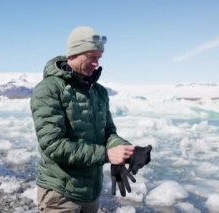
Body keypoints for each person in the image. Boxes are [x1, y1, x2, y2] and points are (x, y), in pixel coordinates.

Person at [30, 26, 151, 213]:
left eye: (98, 58)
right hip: (60, 191)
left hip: (91, 191)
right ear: (73, 54)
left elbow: (108, 132)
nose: (96, 63)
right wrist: (106, 155)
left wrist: (127, 151)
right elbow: (53, 145)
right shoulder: (49, 89)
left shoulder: (99, 92)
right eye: (91, 57)